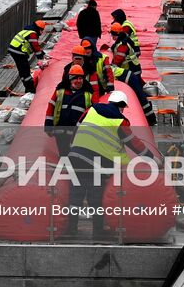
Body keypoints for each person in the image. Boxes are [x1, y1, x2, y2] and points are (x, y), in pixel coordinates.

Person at [65, 92, 154, 237]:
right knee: (95, 197)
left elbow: (77, 128)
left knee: (76, 194)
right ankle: (98, 231)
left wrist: (72, 148)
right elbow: (134, 143)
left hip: (76, 156)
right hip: (96, 162)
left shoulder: (91, 110)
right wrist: (152, 159)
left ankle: (71, 228)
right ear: (122, 107)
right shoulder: (119, 121)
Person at [45, 64, 92, 158]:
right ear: (70, 79)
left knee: (75, 154)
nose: (79, 81)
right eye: (76, 78)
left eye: (81, 78)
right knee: (63, 153)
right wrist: (48, 126)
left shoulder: (88, 94)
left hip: (77, 132)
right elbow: (51, 106)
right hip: (60, 131)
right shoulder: (60, 91)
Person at [7, 23, 44, 93]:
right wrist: (41, 57)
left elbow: (34, 46)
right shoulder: (32, 34)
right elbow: (35, 46)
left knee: (22, 70)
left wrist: (43, 53)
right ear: (38, 29)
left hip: (14, 51)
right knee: (25, 70)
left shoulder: (27, 31)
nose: (42, 33)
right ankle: (30, 89)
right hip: (19, 52)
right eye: (42, 31)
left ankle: (28, 88)